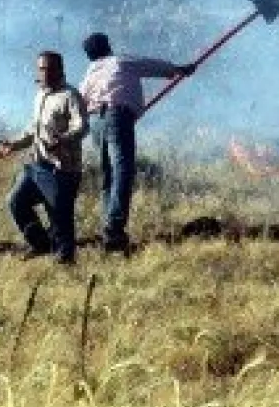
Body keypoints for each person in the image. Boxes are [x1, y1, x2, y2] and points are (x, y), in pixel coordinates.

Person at [78, 32, 195, 253]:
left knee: (109, 174)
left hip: (96, 121)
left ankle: (109, 226)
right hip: (116, 115)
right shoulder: (120, 61)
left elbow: (80, 101)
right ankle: (113, 228)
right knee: (123, 170)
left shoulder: (90, 72)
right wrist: (178, 69)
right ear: (108, 47)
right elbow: (150, 65)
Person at [0, 50, 89, 264]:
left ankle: (65, 262)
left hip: (62, 169)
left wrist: (63, 139)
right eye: (41, 69)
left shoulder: (70, 95)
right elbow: (33, 131)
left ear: (60, 70)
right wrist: (13, 144)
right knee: (16, 202)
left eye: (49, 69)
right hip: (37, 165)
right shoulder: (40, 96)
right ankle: (40, 244)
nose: (44, 73)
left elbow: (82, 126)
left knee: (60, 216)